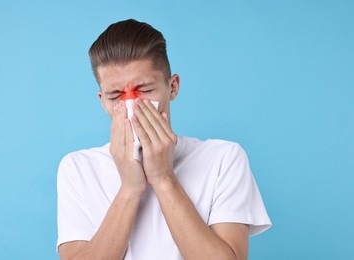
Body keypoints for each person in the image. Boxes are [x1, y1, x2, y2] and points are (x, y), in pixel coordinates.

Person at [56, 19, 271, 260]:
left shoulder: (223, 158)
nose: (132, 105)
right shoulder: (77, 168)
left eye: (145, 90)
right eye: (116, 95)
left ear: (173, 87)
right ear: (102, 101)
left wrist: (163, 178)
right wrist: (129, 189)